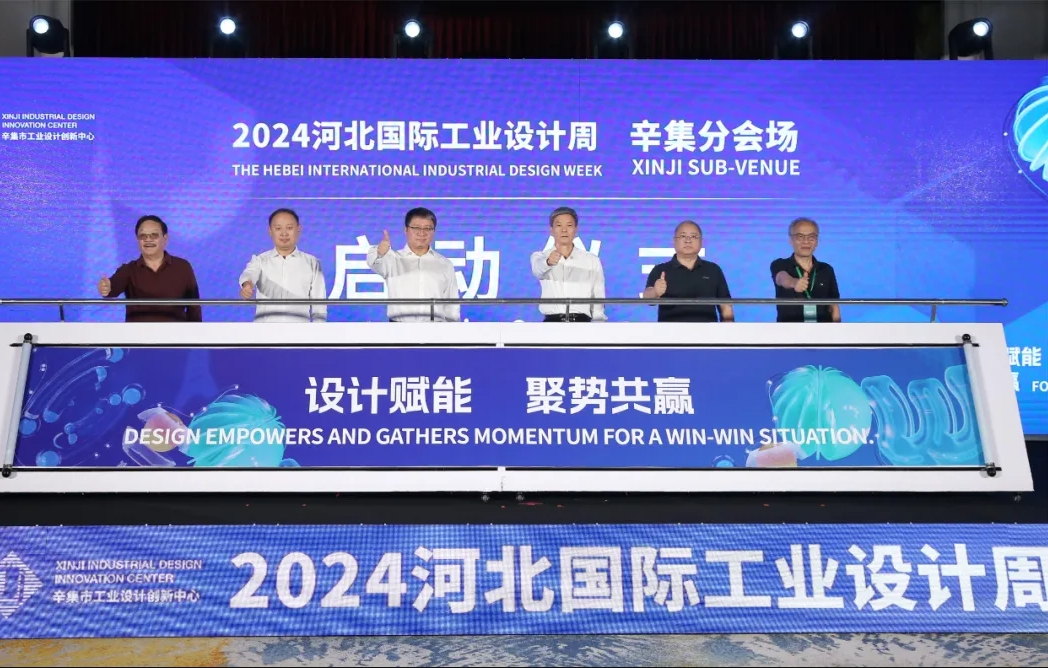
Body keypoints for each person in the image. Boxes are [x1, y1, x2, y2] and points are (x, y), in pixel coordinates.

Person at [98, 215, 202, 322]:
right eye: (143, 236)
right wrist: (106, 288)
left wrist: (197, 331)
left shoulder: (183, 267)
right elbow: (111, 289)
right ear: (137, 239)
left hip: (175, 331)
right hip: (138, 332)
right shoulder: (128, 270)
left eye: (154, 235)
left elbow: (194, 307)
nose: (148, 239)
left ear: (165, 238)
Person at [367, 207, 460, 322]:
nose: (422, 233)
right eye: (416, 228)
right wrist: (380, 252)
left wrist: (453, 329)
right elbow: (374, 262)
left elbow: (452, 305)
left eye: (428, 228)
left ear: (434, 231)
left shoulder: (445, 264)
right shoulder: (393, 259)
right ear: (406, 230)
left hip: (436, 329)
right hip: (399, 328)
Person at [239, 208, 327, 323]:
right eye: (278, 228)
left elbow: (319, 306)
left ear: (298, 229)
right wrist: (247, 285)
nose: (284, 233)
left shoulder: (312, 263)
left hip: (300, 330)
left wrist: (318, 330)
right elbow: (250, 274)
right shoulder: (260, 260)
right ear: (270, 231)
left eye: (289, 228)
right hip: (265, 330)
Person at [643, 221, 734, 322]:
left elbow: (726, 306)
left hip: (708, 330)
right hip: (670, 330)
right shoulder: (660, 270)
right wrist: (655, 292)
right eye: (683, 236)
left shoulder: (713, 270)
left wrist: (729, 329)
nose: (688, 240)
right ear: (674, 241)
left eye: (694, 237)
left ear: (701, 242)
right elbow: (647, 298)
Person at [529, 207, 607, 323]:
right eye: (559, 225)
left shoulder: (592, 260)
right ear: (551, 230)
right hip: (552, 323)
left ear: (576, 229)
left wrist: (598, 324)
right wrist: (548, 262)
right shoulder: (540, 257)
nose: (564, 230)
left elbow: (598, 296)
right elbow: (538, 270)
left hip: (582, 323)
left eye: (569, 225)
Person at [771, 217, 841, 323]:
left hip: (822, 330)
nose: (806, 241)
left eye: (811, 237)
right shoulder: (780, 264)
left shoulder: (826, 269)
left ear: (817, 241)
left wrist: (838, 330)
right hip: (789, 330)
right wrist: (794, 283)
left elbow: (834, 306)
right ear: (791, 241)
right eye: (800, 237)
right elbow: (781, 278)